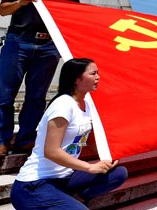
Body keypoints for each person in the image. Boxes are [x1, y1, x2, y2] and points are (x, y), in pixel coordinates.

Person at [0, 0, 80, 159]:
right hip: (19, 42)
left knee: (37, 97)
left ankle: (26, 139)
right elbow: (2, 10)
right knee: (5, 94)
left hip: (49, 47)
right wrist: (20, 2)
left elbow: (74, 16)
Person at [10, 58, 127, 209]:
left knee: (117, 174)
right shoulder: (63, 105)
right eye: (93, 74)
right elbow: (51, 151)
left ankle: (75, 199)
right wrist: (89, 167)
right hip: (34, 185)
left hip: (64, 178)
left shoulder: (87, 104)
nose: (98, 77)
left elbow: (88, 139)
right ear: (77, 80)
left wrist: (107, 157)